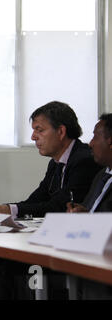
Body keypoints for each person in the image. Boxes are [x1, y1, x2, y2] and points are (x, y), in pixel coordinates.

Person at [0, 101, 102, 299]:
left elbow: (56, 207)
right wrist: (1, 210)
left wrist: (2, 210)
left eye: (39, 130)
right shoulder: (55, 164)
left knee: (5, 265)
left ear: (61, 131)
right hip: (54, 243)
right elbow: (35, 199)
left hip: (76, 251)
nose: (33, 137)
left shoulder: (83, 160)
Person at [67, 113, 112, 299]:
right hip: (88, 253)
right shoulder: (102, 175)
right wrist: (82, 212)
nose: (90, 143)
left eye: (95, 136)